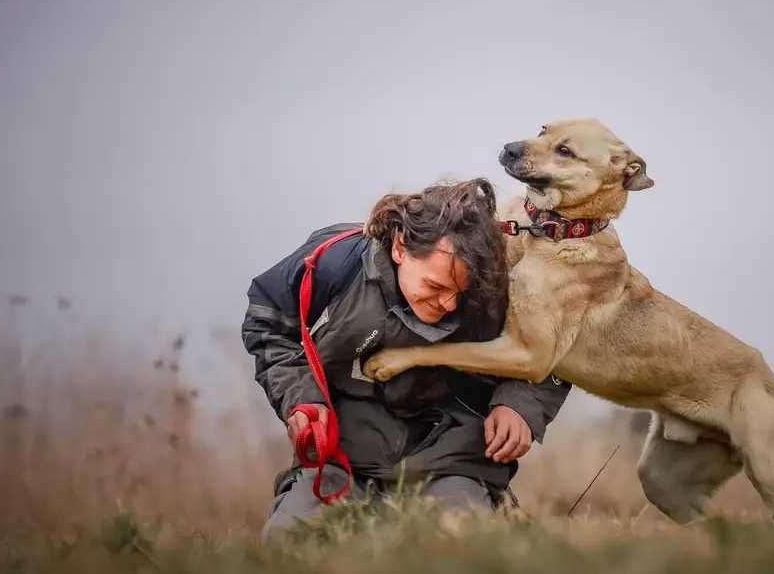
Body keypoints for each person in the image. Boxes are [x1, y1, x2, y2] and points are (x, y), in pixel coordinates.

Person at [242, 178, 570, 540]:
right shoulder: (334, 262)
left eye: (460, 294)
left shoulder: (497, 283)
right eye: (435, 287)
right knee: (286, 544)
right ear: (401, 247)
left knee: (464, 548)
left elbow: (564, 346)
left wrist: (519, 405)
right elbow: (267, 321)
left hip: (454, 462)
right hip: (341, 459)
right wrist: (301, 400)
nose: (447, 304)